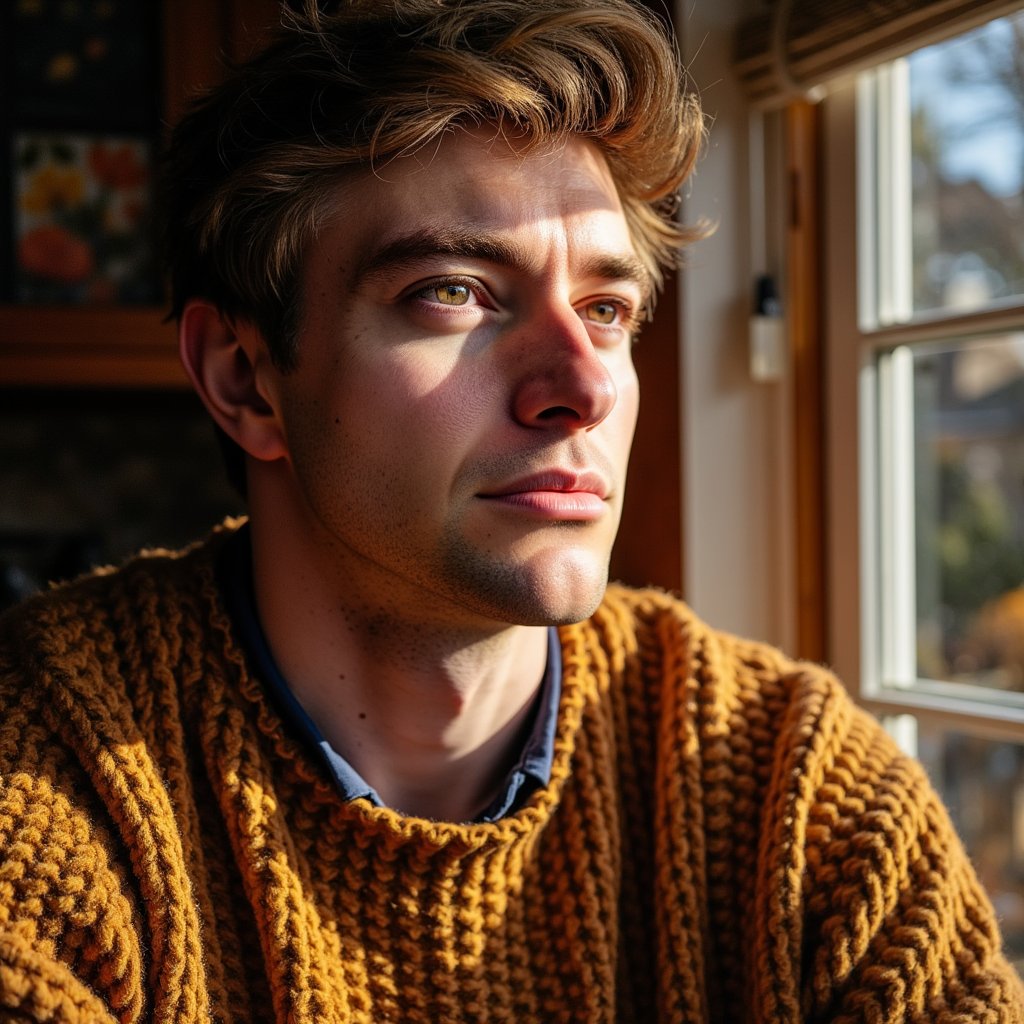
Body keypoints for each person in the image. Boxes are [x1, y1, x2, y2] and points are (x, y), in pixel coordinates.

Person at [0, 1, 1021, 1021]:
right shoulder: (50, 762)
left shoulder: (791, 792)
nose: (580, 386)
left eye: (605, 309)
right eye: (454, 291)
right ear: (246, 379)